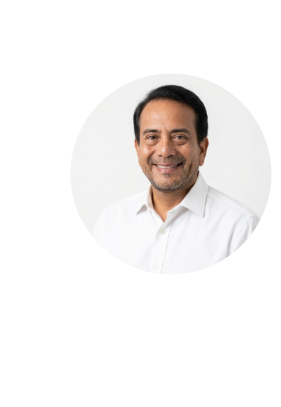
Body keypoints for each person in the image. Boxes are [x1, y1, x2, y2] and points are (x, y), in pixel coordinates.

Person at [93, 85, 259, 274]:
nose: (164, 151)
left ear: (202, 149)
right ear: (137, 149)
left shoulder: (240, 228)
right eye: (152, 137)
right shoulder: (110, 222)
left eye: (179, 137)